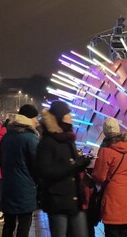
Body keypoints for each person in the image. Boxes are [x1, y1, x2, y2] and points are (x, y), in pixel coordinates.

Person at [36, 101, 91, 237]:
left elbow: (72, 165)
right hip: (57, 201)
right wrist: (74, 165)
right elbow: (44, 171)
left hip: (75, 199)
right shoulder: (47, 142)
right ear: (60, 116)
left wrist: (82, 163)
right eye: (68, 114)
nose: (71, 117)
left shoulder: (68, 139)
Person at [91, 117, 127, 237]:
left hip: (112, 194)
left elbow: (99, 176)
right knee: (123, 229)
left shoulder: (105, 150)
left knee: (112, 230)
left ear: (105, 132)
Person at [0, 104, 40, 237]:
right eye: (35, 118)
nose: (37, 122)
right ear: (28, 119)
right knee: (23, 226)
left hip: (7, 188)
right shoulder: (31, 139)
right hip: (25, 191)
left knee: (8, 224)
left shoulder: (6, 137)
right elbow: (37, 167)